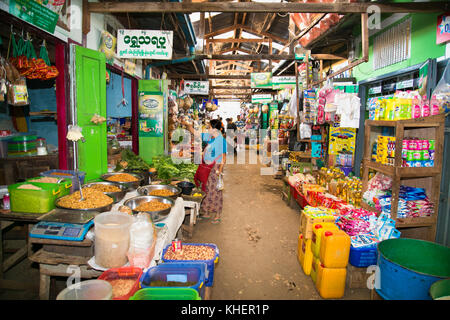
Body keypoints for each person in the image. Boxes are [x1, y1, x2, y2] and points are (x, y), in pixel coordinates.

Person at [183, 119, 226, 224]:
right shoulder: (211, 137)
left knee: (216, 192)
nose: (208, 129)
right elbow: (197, 134)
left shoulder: (220, 140)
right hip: (208, 168)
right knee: (207, 189)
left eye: (210, 127)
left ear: (215, 129)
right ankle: (206, 212)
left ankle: (217, 215)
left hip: (215, 168)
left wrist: (219, 172)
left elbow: (224, 158)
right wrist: (188, 126)